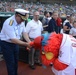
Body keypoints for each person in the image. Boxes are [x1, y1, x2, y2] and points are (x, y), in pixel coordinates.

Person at [0, 8, 31, 75]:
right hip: (7, 44)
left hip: (16, 43)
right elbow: (13, 39)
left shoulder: (21, 21)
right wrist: (26, 44)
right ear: (17, 15)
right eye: (22, 19)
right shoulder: (9, 23)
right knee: (11, 63)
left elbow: (24, 32)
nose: (22, 21)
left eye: (24, 19)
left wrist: (29, 42)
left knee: (16, 61)